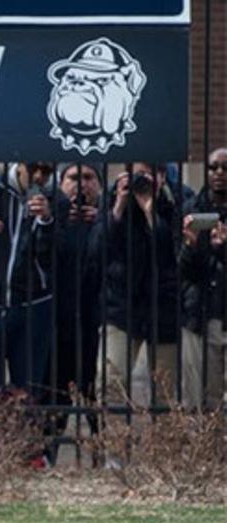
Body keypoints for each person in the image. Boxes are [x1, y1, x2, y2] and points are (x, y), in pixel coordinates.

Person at [89, 162, 182, 415]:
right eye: (138, 174)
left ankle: (162, 452)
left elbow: (172, 255)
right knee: (110, 383)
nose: (143, 180)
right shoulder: (112, 202)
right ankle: (116, 453)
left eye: (149, 174)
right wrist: (118, 206)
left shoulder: (176, 202)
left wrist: (150, 209)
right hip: (121, 306)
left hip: (164, 309)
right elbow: (96, 252)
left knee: (165, 393)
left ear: (162, 177)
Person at [42, 162, 107, 464]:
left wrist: (102, 223)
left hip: (96, 322)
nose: (81, 185)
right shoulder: (51, 217)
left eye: (88, 178)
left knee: (97, 394)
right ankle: (46, 456)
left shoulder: (110, 218)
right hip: (57, 322)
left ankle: (104, 456)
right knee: (54, 395)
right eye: (73, 178)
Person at [0, 162, 56, 399]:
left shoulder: (55, 198)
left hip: (33, 306)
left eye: (46, 172)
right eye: (33, 168)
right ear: (19, 166)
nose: (39, 177)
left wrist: (47, 222)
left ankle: (24, 436)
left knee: (27, 392)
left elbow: (59, 257)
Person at [179, 147, 227, 410]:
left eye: (225, 168)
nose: (219, 173)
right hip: (200, 312)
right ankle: (207, 451)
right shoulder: (192, 209)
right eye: (213, 167)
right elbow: (182, 271)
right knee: (201, 400)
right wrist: (191, 245)